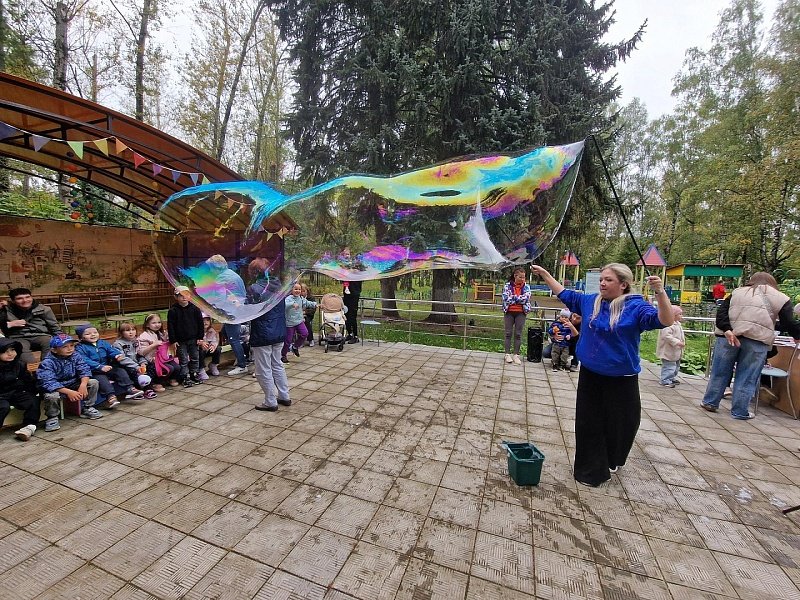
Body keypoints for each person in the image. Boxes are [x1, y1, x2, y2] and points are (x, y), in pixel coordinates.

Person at [531, 263, 673, 487]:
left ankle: (613, 459)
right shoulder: (591, 302)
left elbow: (665, 320)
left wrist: (660, 292)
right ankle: (590, 472)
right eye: (601, 280)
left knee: (623, 423)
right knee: (589, 423)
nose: (602, 284)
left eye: (608, 280)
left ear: (623, 284)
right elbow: (564, 293)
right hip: (591, 374)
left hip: (622, 377)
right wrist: (545, 275)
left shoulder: (635, 306)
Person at [701, 272, 800, 420]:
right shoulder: (782, 298)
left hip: (729, 337)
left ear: (751, 280)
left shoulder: (737, 292)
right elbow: (788, 323)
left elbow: (721, 313)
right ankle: (740, 411)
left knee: (720, 371)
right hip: (757, 340)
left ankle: (710, 402)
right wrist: (797, 335)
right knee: (747, 375)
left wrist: (727, 329)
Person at [37, 333, 102, 430]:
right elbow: (49, 382)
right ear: (54, 350)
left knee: (93, 382)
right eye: (65, 347)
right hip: (56, 388)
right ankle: (52, 417)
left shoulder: (75, 356)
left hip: (72, 383)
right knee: (51, 396)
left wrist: (83, 385)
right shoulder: (47, 362)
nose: (70, 349)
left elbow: (84, 369)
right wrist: (69, 392)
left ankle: (87, 408)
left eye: (71, 345)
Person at [75, 325, 145, 408]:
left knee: (120, 371)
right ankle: (111, 396)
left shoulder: (102, 343)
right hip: (94, 370)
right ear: (81, 337)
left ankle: (130, 388)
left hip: (107, 366)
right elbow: (84, 360)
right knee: (102, 380)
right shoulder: (80, 347)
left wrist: (117, 355)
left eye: (95, 332)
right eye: (88, 334)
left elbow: (111, 350)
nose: (93, 335)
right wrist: (99, 366)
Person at [203, 255, 250, 376]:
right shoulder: (232, 274)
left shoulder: (221, 278)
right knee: (227, 333)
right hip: (236, 310)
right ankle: (244, 356)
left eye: (210, 268)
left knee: (234, 339)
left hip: (230, 312)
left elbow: (219, 299)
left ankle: (242, 365)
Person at [251, 282, 291, 412]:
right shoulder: (279, 286)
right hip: (278, 330)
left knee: (263, 369)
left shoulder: (256, 288)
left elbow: (247, 308)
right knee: (277, 364)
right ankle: (284, 396)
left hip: (263, 333)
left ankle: (270, 401)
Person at [0, 288, 62, 363]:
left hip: (40, 335)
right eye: (19, 298)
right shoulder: (5, 311)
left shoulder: (44, 309)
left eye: (27, 297)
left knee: (50, 342)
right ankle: (31, 367)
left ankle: (48, 365)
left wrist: (62, 338)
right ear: (13, 301)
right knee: (20, 348)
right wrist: (9, 324)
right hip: (18, 337)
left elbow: (54, 326)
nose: (25, 300)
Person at [0, 338, 41, 441]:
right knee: (3, 407)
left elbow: (28, 380)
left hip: (16, 392)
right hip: (1, 395)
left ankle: (28, 427)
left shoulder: (20, 364)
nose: (10, 354)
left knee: (33, 400)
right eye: (5, 351)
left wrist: (35, 390)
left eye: (12, 350)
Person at [168, 286, 206, 388]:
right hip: (180, 341)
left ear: (190, 296)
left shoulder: (195, 309)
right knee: (183, 359)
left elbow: (200, 324)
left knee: (195, 358)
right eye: (181, 295)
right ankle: (185, 376)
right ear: (176, 297)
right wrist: (173, 340)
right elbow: (170, 326)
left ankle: (194, 374)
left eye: (186, 295)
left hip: (194, 339)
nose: (184, 297)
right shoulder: (173, 311)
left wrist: (200, 337)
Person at [113, 322, 157, 399]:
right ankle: (138, 390)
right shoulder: (118, 344)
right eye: (127, 330)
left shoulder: (136, 341)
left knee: (150, 367)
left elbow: (139, 354)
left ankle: (148, 387)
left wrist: (143, 363)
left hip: (137, 363)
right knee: (133, 371)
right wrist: (136, 367)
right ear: (121, 332)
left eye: (133, 330)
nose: (131, 332)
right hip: (125, 365)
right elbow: (122, 359)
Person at [137, 314, 179, 389]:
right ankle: (157, 382)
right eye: (154, 323)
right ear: (147, 325)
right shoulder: (144, 336)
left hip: (164, 358)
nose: (157, 325)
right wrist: (153, 345)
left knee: (177, 367)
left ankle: (170, 379)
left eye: (159, 322)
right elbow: (141, 352)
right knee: (169, 368)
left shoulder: (162, 333)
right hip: (152, 359)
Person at [501, 267, 532, 365]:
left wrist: (514, 298)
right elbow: (506, 298)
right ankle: (507, 354)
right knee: (508, 333)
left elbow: (526, 298)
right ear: (515, 276)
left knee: (518, 334)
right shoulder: (507, 286)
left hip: (521, 313)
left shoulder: (526, 287)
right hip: (509, 312)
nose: (523, 279)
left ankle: (516, 355)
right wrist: (519, 299)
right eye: (520, 277)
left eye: (524, 277)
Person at [282, 282, 317, 363]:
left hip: (299, 321)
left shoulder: (301, 298)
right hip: (290, 323)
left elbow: (308, 303)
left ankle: (295, 347)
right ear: (291, 290)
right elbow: (285, 305)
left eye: (299, 289)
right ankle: (283, 355)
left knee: (305, 333)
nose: (297, 291)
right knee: (288, 340)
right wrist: (292, 304)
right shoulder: (288, 299)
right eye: (295, 289)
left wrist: (316, 305)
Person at [657, 306, 685, 388]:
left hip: (676, 350)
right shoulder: (667, 325)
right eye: (679, 314)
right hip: (668, 350)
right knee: (669, 366)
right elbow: (666, 336)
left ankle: (671, 378)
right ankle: (665, 380)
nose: (681, 316)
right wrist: (677, 342)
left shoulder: (677, 324)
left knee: (676, 366)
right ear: (673, 315)